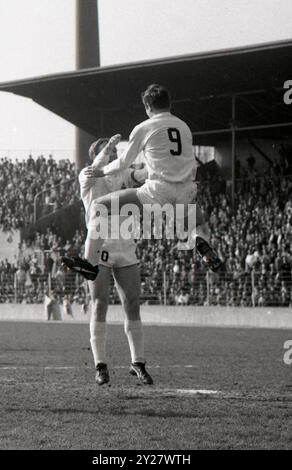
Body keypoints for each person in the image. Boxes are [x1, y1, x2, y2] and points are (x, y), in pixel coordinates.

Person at [63, 84, 223, 279]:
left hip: (157, 190)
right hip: (186, 190)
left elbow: (123, 162)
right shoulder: (184, 127)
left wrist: (102, 171)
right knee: (199, 226)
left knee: (98, 206)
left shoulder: (144, 128)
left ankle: (90, 264)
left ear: (148, 106)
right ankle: (201, 242)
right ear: (168, 103)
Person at [64, 138, 153, 386]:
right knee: (99, 303)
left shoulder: (123, 173)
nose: (115, 155)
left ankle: (138, 363)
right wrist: (107, 147)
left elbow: (144, 174)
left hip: (125, 244)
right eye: (111, 152)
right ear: (97, 155)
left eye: (116, 151)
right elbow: (99, 164)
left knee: (132, 304)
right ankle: (100, 366)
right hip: (99, 245)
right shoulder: (88, 175)